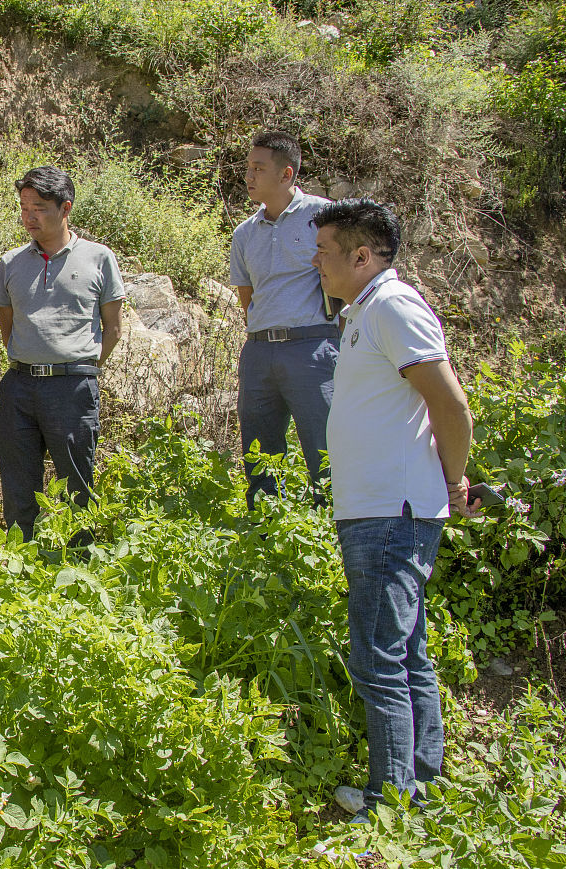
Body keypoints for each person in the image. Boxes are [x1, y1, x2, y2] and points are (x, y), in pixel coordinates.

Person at [311, 199, 478, 824]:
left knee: (379, 656)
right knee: (405, 652)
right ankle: (419, 786)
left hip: (391, 512)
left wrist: (454, 479)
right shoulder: (364, 313)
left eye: (325, 252)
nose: (316, 262)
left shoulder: (393, 306)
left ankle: (390, 805)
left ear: (362, 256)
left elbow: (450, 403)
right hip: (379, 509)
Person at [0, 166, 124, 541]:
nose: (28, 216)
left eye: (38, 207)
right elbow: (8, 324)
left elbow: (113, 329)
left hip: (73, 388)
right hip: (19, 385)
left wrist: (80, 367)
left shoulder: (99, 258)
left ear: (66, 208)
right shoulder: (11, 262)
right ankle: (21, 564)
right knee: (18, 484)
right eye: (23, 207)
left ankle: (78, 567)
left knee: (77, 485)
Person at [230, 131, 338, 509]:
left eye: (258, 169)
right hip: (259, 350)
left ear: (286, 174)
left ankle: (328, 540)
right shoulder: (243, 234)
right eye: (248, 168)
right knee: (259, 453)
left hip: (313, 348)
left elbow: (346, 283)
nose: (249, 176)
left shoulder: (323, 217)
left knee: (325, 451)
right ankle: (265, 534)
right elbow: (249, 300)